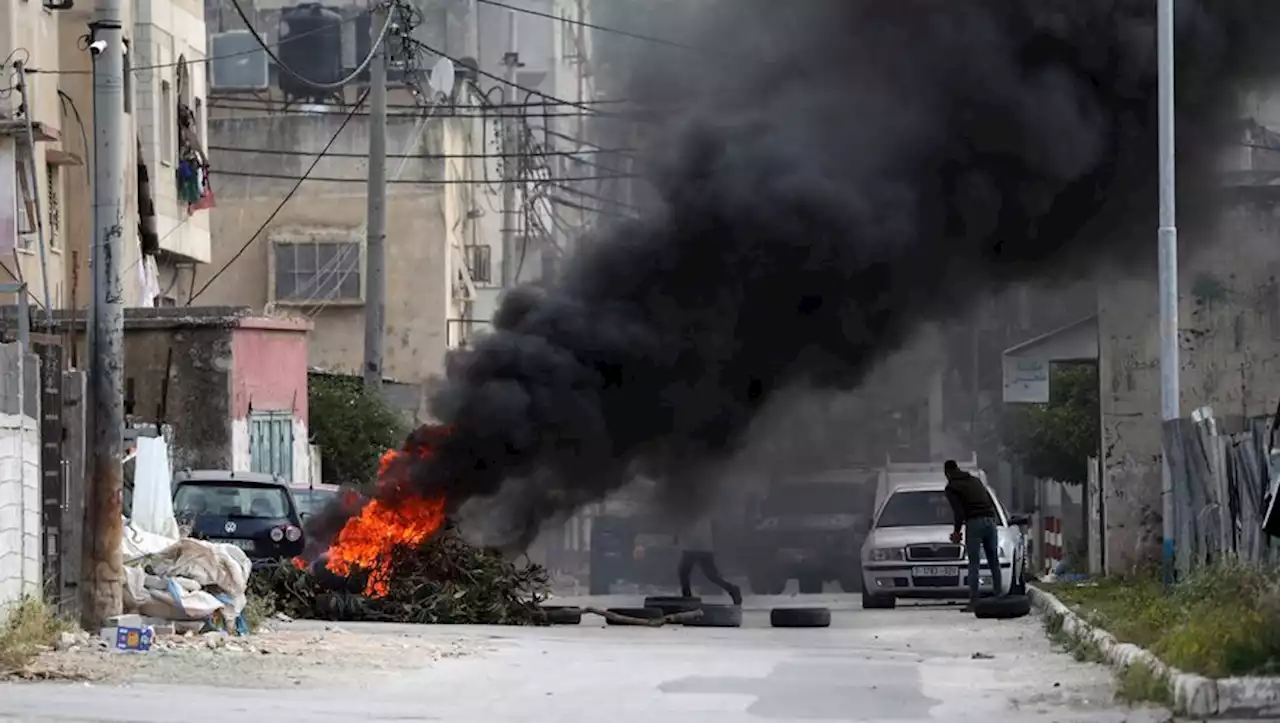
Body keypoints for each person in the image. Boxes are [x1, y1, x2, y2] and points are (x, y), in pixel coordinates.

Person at [943, 459, 1002, 612]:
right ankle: (999, 596)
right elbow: (987, 500)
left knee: (974, 563)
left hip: (975, 523)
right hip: (990, 520)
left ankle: (974, 600)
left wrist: (957, 532)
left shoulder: (952, 487)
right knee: (993, 560)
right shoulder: (975, 481)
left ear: (947, 473)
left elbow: (959, 512)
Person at [676, 515, 743, 605]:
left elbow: (685, 524)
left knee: (684, 572)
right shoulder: (701, 508)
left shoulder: (692, 509)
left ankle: (687, 598)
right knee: (712, 576)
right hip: (702, 545)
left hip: (694, 545)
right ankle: (732, 590)